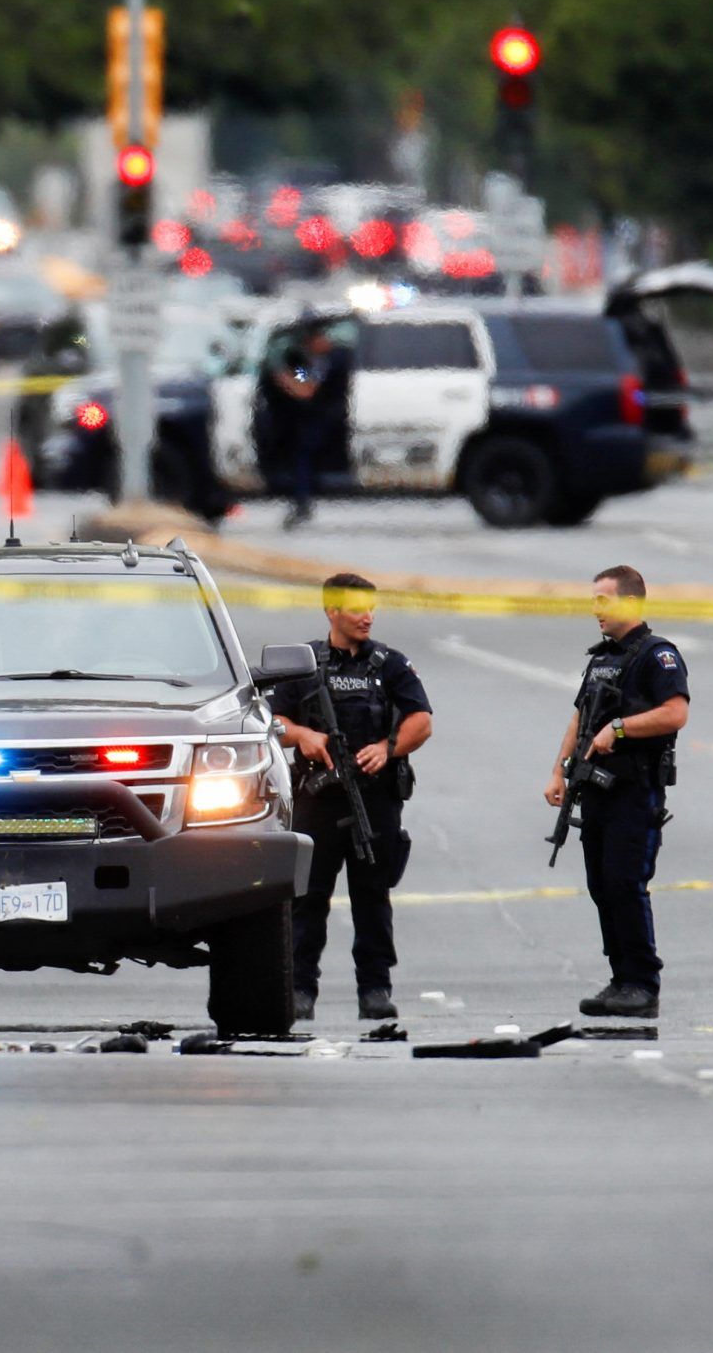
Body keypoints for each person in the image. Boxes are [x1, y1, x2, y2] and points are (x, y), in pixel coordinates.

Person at [269, 572, 433, 1024]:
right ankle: (299, 989)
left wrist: (387, 748)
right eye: (358, 609)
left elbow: (422, 719)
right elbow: (270, 720)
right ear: (332, 611)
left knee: (373, 897)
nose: (367, 617)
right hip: (317, 799)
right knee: (306, 900)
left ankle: (375, 989)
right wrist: (303, 735)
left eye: (371, 608)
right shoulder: (303, 664)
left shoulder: (388, 664)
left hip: (374, 799)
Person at [543, 565, 689, 1019]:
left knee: (626, 884)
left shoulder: (657, 655)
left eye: (604, 600)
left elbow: (674, 713)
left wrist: (620, 728)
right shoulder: (602, 658)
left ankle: (642, 982)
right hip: (596, 790)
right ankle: (620, 977)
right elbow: (579, 716)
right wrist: (559, 770)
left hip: (634, 791)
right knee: (601, 886)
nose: (596, 610)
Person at [268, 324, 353, 528]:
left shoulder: (332, 360)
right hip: (318, 417)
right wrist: (293, 371)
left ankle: (302, 502)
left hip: (328, 418)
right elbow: (304, 378)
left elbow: (307, 391)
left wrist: (282, 377)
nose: (311, 347)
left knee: (302, 456)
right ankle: (301, 500)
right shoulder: (316, 361)